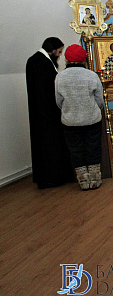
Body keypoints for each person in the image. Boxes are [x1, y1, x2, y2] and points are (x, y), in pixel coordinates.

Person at [26, 37, 74, 189]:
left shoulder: (35, 60)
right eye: (59, 52)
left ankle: (51, 176)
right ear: (52, 50)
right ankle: (53, 177)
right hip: (47, 114)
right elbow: (48, 91)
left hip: (42, 113)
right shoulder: (42, 63)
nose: (59, 56)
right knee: (50, 146)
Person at [55, 44, 105, 190]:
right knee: (93, 148)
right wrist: (94, 109)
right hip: (91, 119)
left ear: (67, 60)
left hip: (70, 122)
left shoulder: (60, 77)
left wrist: (69, 110)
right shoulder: (91, 75)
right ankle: (95, 180)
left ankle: (83, 181)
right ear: (83, 59)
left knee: (76, 150)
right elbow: (99, 99)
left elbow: (58, 101)